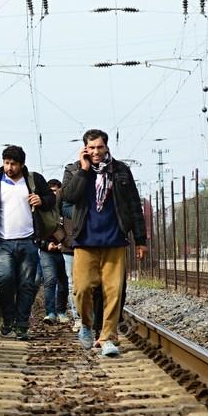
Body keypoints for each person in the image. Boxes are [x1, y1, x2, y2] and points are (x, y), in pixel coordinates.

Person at [61, 129, 147, 356]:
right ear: (84, 149)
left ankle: (108, 337)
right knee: (81, 289)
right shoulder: (73, 170)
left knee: (114, 291)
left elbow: (133, 206)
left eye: (100, 147)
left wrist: (140, 240)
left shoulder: (121, 171)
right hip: (85, 241)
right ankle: (87, 325)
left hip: (114, 239)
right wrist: (84, 170)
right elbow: (68, 197)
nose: (96, 152)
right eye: (91, 148)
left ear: (106, 147)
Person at [0, 145, 56, 340]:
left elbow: (52, 199)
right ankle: (9, 319)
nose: (9, 167)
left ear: (21, 164)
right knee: (5, 280)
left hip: (29, 241)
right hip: (3, 243)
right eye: (6, 163)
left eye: (13, 164)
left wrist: (42, 200)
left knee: (27, 284)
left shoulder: (33, 180)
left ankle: (22, 324)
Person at [39, 179, 71, 325]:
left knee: (64, 283)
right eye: (51, 191)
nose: (54, 194)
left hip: (65, 251)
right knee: (50, 280)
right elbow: (36, 233)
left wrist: (64, 244)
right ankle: (50, 312)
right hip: (47, 252)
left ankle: (61, 311)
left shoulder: (66, 209)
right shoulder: (42, 211)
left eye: (56, 191)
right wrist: (46, 244)